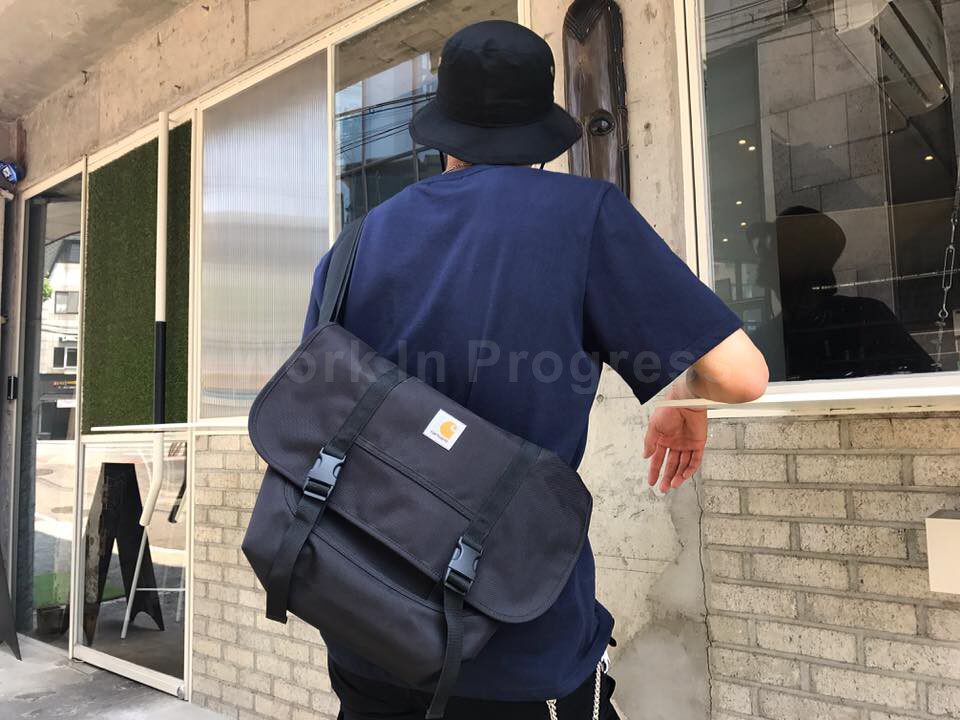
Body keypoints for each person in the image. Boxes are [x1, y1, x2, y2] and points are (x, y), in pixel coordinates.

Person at [302, 19, 768, 720]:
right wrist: (685, 400)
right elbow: (741, 374)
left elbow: (317, 418)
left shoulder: (355, 245)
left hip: (366, 632)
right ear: (539, 129)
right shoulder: (583, 218)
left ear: (444, 127)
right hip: (517, 644)